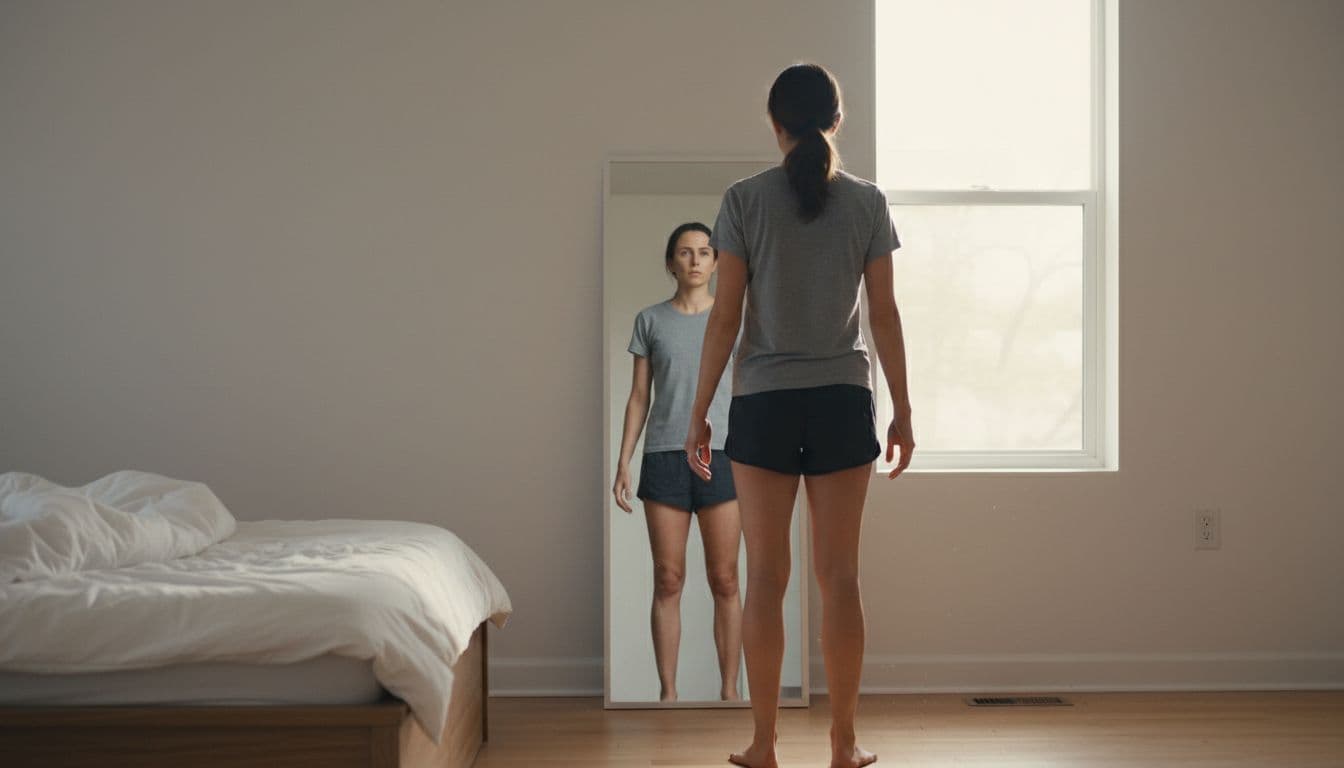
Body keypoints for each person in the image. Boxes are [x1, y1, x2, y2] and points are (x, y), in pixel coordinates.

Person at [684, 63, 915, 768]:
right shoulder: (867, 202)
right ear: (836, 122)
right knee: (839, 578)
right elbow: (883, 315)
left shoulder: (743, 200)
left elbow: (724, 318)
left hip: (764, 405)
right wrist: (903, 411)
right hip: (844, 400)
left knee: (765, 579)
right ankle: (845, 747)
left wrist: (697, 414)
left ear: (775, 124)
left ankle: (764, 745)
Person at [614, 222, 744, 702]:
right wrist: (624, 461)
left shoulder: (735, 320)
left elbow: (752, 391)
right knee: (668, 578)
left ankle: (731, 693)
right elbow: (638, 399)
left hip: (727, 456)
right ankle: (667, 695)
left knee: (725, 578)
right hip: (664, 457)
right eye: (685, 253)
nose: (694, 261)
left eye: (704, 252)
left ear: (716, 263)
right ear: (671, 262)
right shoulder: (650, 321)